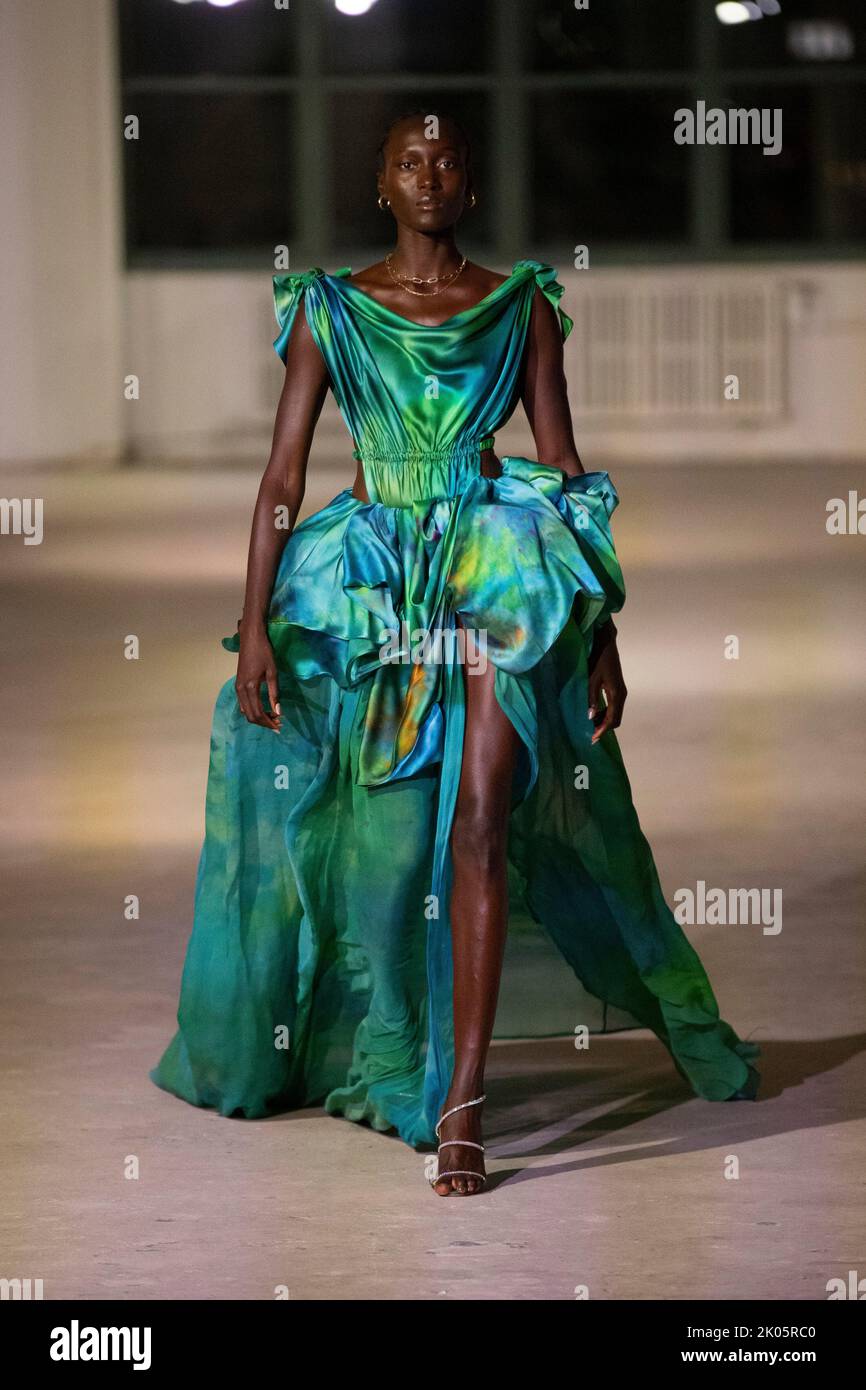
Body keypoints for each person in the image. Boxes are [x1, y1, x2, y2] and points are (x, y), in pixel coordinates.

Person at [151, 110, 760, 1198]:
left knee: (482, 817)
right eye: (407, 162)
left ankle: (464, 1100)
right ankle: (394, 1047)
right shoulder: (329, 309)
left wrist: (597, 628)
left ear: (468, 186)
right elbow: (283, 479)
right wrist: (252, 624)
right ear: (379, 183)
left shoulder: (520, 303)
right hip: (372, 571)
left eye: (446, 162)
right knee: (384, 857)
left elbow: (563, 462)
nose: (427, 175)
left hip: (494, 561)